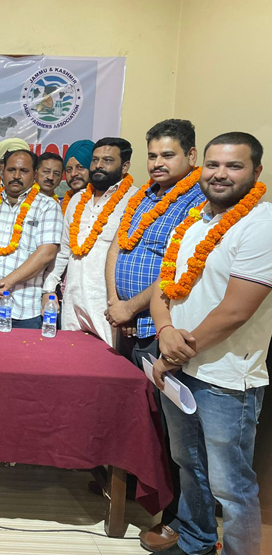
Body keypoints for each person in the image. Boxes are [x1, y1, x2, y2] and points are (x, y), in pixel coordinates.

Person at [149, 132, 270, 555]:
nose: (219, 174)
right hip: (180, 367)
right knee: (189, 466)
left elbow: (236, 311)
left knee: (231, 485)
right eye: (213, 165)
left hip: (226, 377)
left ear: (256, 172)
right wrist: (164, 333)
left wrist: (174, 352)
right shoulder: (195, 221)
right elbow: (163, 287)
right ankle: (197, 541)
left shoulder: (263, 224)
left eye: (233, 166)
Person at [105, 119, 204, 551]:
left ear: (191, 158)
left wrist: (132, 306)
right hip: (128, 322)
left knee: (174, 434)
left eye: (168, 155)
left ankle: (177, 518)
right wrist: (116, 302)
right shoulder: (145, 195)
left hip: (160, 332)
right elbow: (117, 247)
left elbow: (177, 270)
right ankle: (129, 489)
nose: (158, 163)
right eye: (153, 155)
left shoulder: (199, 201)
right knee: (137, 421)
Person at [42, 138, 137, 346]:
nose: (98, 165)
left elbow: (136, 259)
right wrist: (49, 289)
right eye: (95, 160)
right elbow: (64, 250)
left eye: (107, 160)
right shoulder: (77, 200)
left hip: (107, 305)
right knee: (70, 361)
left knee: (107, 368)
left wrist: (131, 307)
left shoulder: (136, 200)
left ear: (125, 166)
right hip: (73, 302)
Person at [0, 149, 62, 328]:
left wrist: (8, 283)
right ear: (2, 172)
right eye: (11, 170)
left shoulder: (48, 206)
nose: (17, 176)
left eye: (24, 171)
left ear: (34, 174)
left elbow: (46, 253)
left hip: (24, 308)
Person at [61, 139, 94, 214]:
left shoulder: (102, 203)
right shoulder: (60, 205)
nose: (73, 174)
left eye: (80, 167)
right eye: (69, 169)